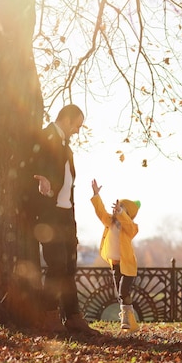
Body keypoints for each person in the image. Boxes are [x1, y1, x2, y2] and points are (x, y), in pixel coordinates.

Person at [33, 104, 100, 335]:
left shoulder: (66, 147)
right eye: (77, 125)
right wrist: (40, 178)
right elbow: (29, 165)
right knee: (57, 265)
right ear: (67, 119)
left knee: (70, 267)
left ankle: (73, 318)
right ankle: (49, 317)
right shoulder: (44, 136)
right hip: (48, 215)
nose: (78, 131)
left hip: (66, 215)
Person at [90, 178, 141, 332]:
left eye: (121, 208)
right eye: (117, 207)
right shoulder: (109, 222)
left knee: (123, 291)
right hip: (115, 264)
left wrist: (120, 212)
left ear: (128, 213)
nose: (117, 209)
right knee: (121, 295)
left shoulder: (130, 228)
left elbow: (129, 225)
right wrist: (96, 195)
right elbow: (100, 212)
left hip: (128, 266)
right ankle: (130, 321)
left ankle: (126, 318)